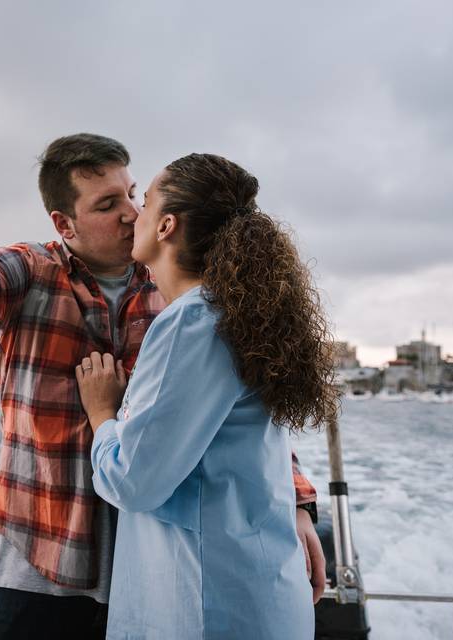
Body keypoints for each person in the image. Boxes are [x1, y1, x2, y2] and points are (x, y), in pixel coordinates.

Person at [0, 134, 325, 639]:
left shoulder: (180, 293)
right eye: (107, 203)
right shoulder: (30, 272)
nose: (128, 211)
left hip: (153, 568)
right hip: (45, 563)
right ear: (64, 224)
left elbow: (235, 411)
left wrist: (297, 502)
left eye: (131, 193)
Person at [75, 153, 338, 639]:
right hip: (253, 597)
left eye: (145, 201)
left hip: (207, 609)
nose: (134, 214)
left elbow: (133, 482)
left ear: (167, 225)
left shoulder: (191, 323)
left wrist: (103, 414)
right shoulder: (238, 315)